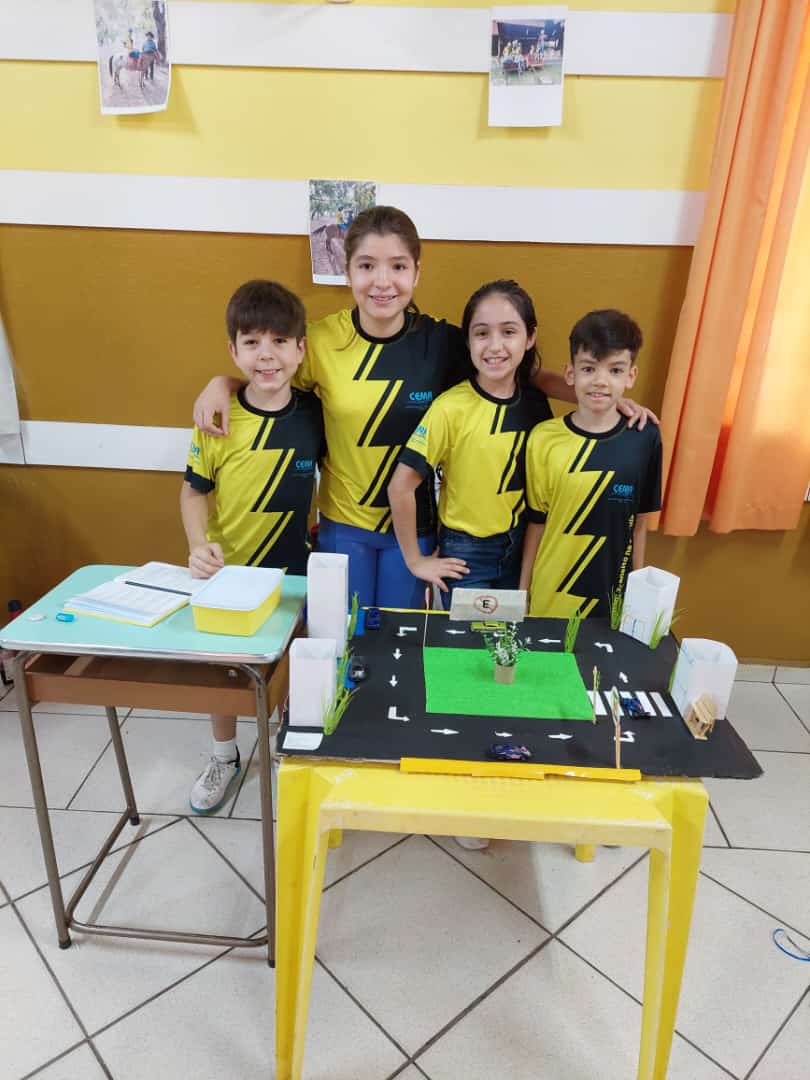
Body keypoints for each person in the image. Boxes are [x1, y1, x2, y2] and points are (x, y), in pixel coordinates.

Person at [192, 206, 656, 609]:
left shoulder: (442, 342)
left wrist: (603, 398)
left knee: (400, 640)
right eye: (367, 266)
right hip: (343, 525)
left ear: (416, 272)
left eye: (397, 266)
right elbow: (271, 371)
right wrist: (222, 383)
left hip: (414, 530)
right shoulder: (319, 340)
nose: (382, 282)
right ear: (347, 271)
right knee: (345, 637)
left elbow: (518, 371)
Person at [182, 280, 324, 814]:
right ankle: (225, 755)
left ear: (300, 349)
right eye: (252, 342)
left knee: (292, 667)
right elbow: (193, 492)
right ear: (233, 350)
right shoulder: (216, 418)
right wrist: (198, 545)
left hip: (295, 574)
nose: (266, 355)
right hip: (230, 574)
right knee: (221, 672)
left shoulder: (315, 413)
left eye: (279, 341)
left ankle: (289, 746)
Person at [388, 280, 550, 604]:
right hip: (466, 553)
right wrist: (415, 561)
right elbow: (400, 486)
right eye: (481, 333)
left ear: (530, 337)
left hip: (521, 547)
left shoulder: (536, 404)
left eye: (508, 331)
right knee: (467, 637)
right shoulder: (450, 408)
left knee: (509, 636)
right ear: (468, 340)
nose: (495, 346)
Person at [519, 309, 662, 620]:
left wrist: (637, 597)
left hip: (612, 601)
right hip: (550, 596)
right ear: (570, 374)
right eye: (588, 369)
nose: (600, 381)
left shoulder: (645, 437)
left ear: (631, 376)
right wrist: (523, 591)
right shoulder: (543, 438)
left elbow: (639, 525)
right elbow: (537, 523)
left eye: (615, 370)